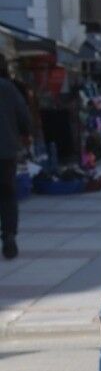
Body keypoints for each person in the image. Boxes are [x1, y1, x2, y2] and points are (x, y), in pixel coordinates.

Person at [0, 60, 30, 260]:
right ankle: (9, 235)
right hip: (6, 150)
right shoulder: (8, 88)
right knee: (7, 194)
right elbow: (24, 116)